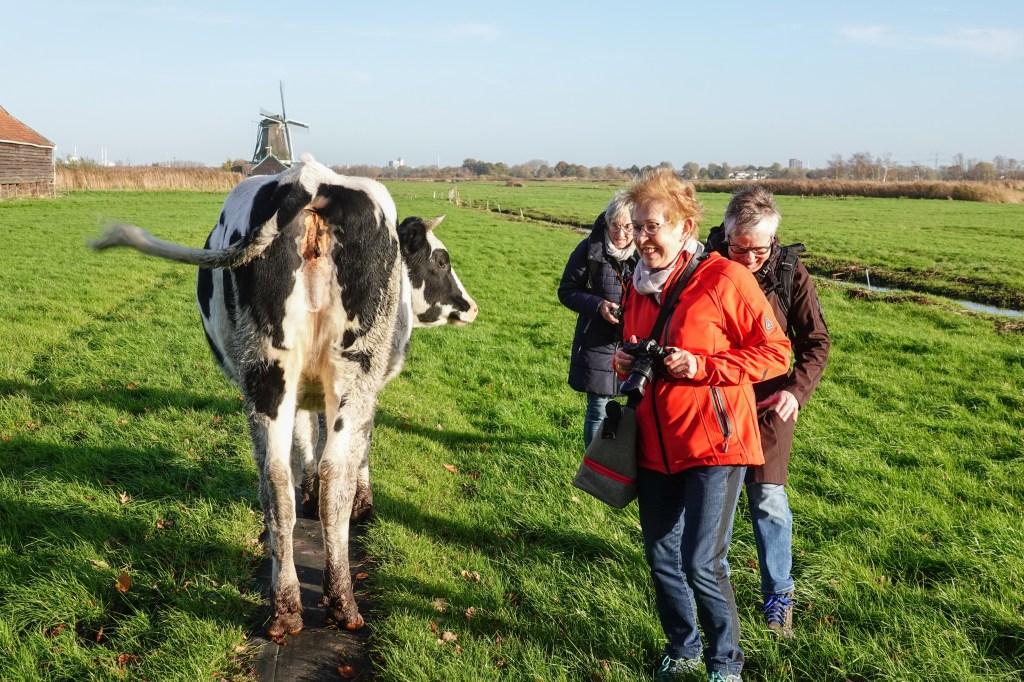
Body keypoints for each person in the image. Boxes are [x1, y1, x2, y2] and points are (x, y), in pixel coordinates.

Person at [612, 170, 791, 682]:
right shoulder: (637, 285)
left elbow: (776, 352)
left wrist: (702, 366)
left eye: (653, 226)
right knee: (661, 557)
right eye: (637, 227)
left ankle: (725, 664)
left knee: (701, 562)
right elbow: (634, 349)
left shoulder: (724, 279)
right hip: (654, 444)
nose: (643, 238)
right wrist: (625, 362)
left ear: (685, 226)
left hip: (715, 440)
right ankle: (683, 647)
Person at [705, 187, 830, 639]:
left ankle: (779, 594)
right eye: (740, 249)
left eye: (760, 249)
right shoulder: (703, 263)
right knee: (710, 503)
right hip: (715, 400)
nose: (751, 258)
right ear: (726, 235)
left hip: (768, 404)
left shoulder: (790, 273)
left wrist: (795, 391)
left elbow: (816, 342)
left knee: (769, 500)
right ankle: (709, 590)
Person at [558, 191, 639, 447]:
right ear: (606, 222)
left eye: (628, 227)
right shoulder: (589, 249)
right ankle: (593, 463)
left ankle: (623, 462)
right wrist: (598, 306)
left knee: (638, 411)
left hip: (636, 341)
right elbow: (567, 291)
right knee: (598, 409)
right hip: (598, 341)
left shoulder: (648, 253)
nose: (621, 233)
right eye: (615, 225)